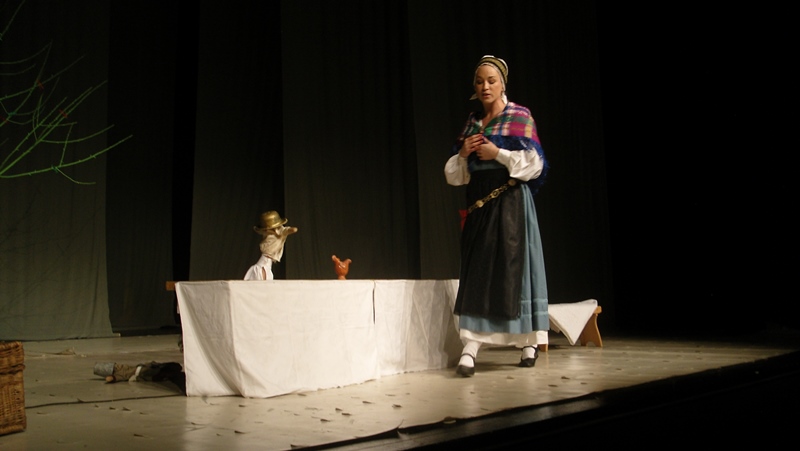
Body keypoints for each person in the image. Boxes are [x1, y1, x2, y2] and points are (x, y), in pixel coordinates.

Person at [444, 55, 549, 377]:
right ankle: (471, 344)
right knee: (477, 271)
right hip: (480, 203)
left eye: (491, 80)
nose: (485, 86)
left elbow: (535, 165)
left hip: (510, 200)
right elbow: (455, 176)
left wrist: (498, 153)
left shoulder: (519, 116)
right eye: (479, 81)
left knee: (515, 271)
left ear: (503, 84)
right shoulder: (473, 123)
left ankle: (528, 341)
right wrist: (463, 154)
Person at [244, 211, 298, 280]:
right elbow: (294, 230)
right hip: (264, 264)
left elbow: (294, 230)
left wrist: (283, 230)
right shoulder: (270, 234)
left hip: (266, 264)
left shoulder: (277, 233)